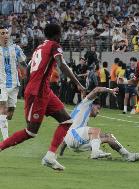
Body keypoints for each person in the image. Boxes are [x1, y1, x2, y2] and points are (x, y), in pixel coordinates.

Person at [0, 23, 85, 171]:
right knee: (31, 132)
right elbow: (62, 64)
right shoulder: (54, 45)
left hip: (44, 91)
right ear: (57, 35)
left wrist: (28, 85)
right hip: (37, 93)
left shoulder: (39, 47)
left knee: (67, 121)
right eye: (61, 33)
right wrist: (78, 84)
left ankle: (50, 156)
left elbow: (28, 68)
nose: (61, 36)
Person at [59, 87, 139, 162]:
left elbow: (67, 136)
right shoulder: (86, 104)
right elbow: (97, 89)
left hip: (75, 145)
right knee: (95, 130)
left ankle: (128, 155)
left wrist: (61, 153)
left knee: (108, 136)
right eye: (98, 108)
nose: (98, 111)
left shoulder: (81, 119)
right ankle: (95, 152)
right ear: (92, 105)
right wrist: (110, 90)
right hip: (74, 140)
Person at [0, 25, 26, 140]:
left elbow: (24, 63)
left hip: (15, 84)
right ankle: (6, 139)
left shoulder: (15, 48)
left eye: (6, 33)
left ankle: (2, 119)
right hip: (2, 84)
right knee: (3, 109)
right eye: (2, 34)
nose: (5, 35)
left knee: (9, 114)